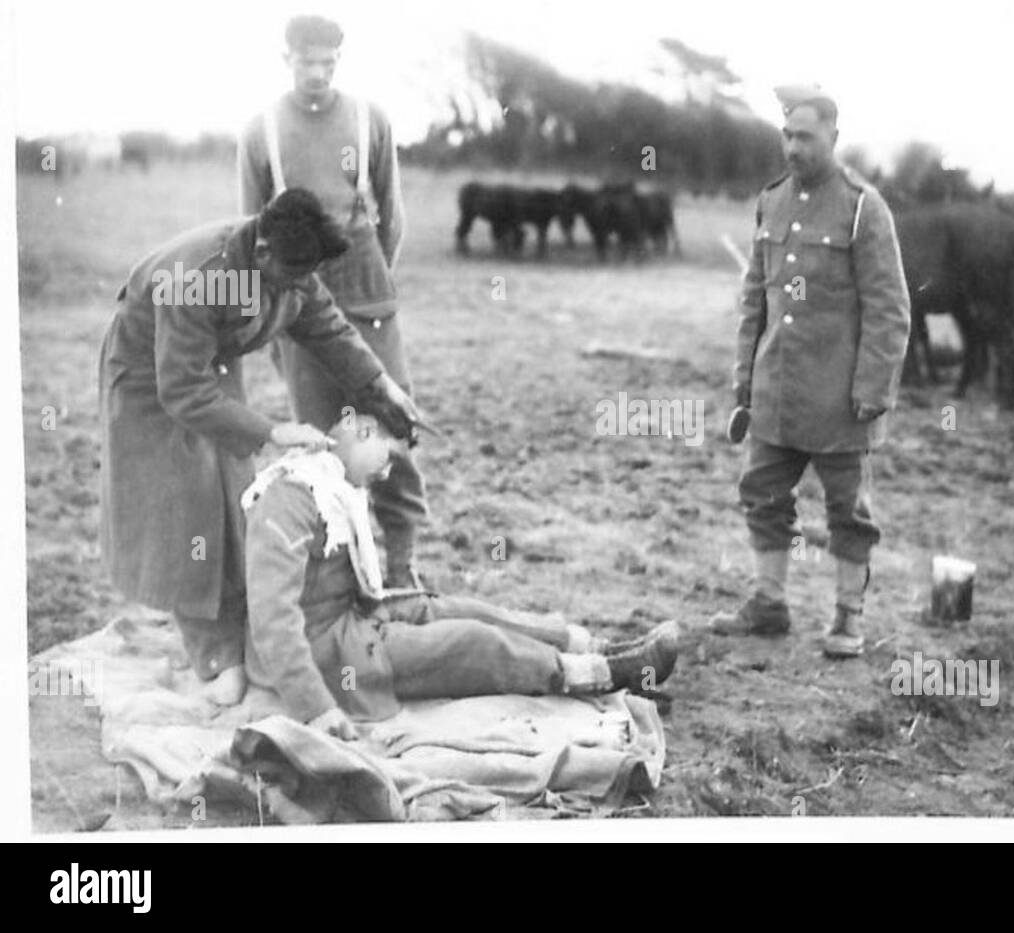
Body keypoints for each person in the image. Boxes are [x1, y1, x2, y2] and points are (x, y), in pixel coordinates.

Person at [99, 187, 421, 704]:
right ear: (265, 251)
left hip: (210, 366)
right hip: (149, 376)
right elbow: (180, 388)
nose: (303, 284)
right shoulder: (199, 277)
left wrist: (381, 385)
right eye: (296, 273)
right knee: (185, 505)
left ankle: (236, 627)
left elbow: (327, 329)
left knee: (235, 490)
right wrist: (273, 431)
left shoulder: (290, 265)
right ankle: (211, 653)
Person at [241, 413, 681, 738]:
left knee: (462, 609)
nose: (387, 474)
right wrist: (315, 707)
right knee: (469, 643)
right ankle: (597, 672)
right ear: (353, 439)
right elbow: (272, 621)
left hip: (351, 620)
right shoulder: (290, 502)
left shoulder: (333, 481)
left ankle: (590, 645)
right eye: (383, 463)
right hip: (326, 651)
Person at [711, 85, 911, 659]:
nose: (793, 147)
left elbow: (889, 308)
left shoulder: (861, 207)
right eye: (787, 135)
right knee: (763, 494)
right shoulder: (771, 201)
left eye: (806, 137)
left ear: (833, 138)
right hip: (777, 390)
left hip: (839, 398)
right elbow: (757, 299)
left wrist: (873, 389)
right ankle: (769, 603)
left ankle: (848, 617)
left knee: (848, 510)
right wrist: (745, 380)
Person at [237, 14, 431, 589]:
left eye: (328, 63)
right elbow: (252, 233)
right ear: (286, 58)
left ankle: (403, 567)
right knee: (323, 440)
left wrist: (369, 288)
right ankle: (343, 574)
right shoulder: (260, 130)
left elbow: (391, 218)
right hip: (297, 301)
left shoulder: (371, 119)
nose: (318, 74)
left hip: (368, 293)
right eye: (307, 62)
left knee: (393, 425)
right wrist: (276, 319)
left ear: (339, 61)